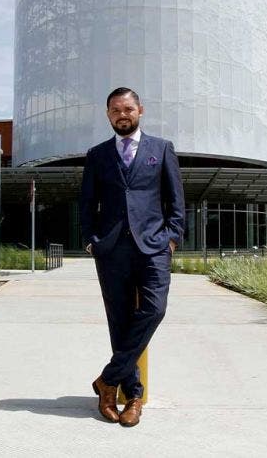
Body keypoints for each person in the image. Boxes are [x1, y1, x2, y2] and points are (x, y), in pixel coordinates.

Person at [80, 87, 185, 427]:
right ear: (108, 115)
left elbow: (175, 200)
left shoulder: (161, 149)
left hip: (154, 246)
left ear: (140, 109)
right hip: (111, 249)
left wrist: (171, 239)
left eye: (127, 108)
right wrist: (91, 240)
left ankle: (107, 380)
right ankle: (132, 397)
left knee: (155, 309)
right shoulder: (97, 155)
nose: (121, 115)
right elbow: (86, 204)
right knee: (120, 321)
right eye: (115, 110)